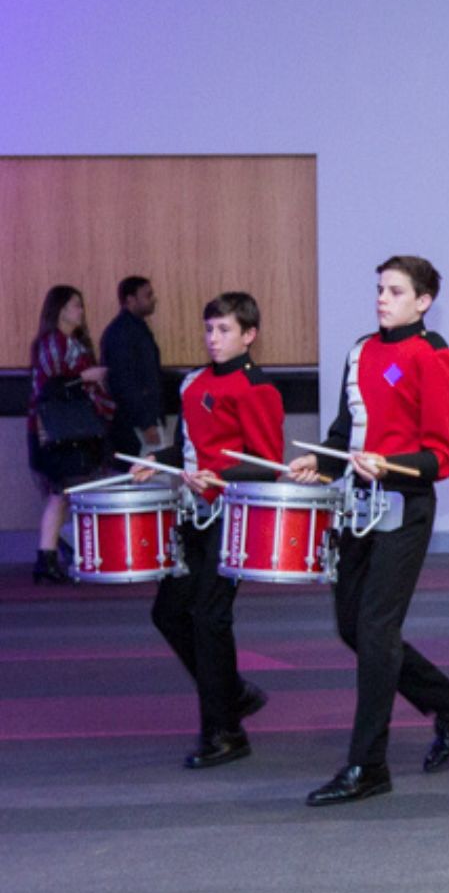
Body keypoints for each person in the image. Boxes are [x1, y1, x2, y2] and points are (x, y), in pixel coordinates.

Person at [288, 256, 449, 807]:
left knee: (375, 630)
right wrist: (323, 464)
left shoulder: (437, 357)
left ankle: (367, 764)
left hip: (405, 507)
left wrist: (389, 464)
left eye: (395, 291)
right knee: (353, 628)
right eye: (379, 289)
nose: (382, 298)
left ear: (422, 301)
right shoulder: (361, 350)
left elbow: (442, 456)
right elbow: (344, 429)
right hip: (357, 504)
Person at [132, 292, 283, 768]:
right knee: (169, 612)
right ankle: (231, 692)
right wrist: (156, 461)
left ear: (249, 335)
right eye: (209, 330)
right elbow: (189, 450)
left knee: (209, 617)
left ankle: (224, 733)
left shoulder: (258, 388)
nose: (213, 339)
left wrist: (220, 479)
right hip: (193, 511)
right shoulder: (193, 383)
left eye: (223, 331)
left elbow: (266, 464)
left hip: (233, 514)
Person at [26, 285, 111, 584]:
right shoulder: (53, 343)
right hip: (57, 430)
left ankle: (52, 557)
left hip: (73, 429)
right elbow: (50, 387)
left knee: (64, 495)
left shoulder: (73, 343)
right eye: (76, 305)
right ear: (60, 309)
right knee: (61, 494)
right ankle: (50, 557)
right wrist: (85, 378)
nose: (81, 311)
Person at [100, 275, 165, 461]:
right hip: (136, 423)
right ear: (130, 300)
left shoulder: (134, 329)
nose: (153, 299)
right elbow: (124, 381)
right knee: (151, 475)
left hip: (142, 418)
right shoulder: (123, 333)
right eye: (147, 295)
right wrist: (146, 423)